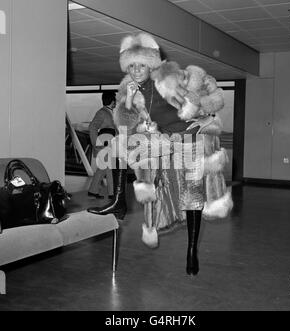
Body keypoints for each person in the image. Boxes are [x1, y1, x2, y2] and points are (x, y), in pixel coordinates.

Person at [89, 32, 233, 275]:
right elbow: (124, 123)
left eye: (141, 64)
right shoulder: (129, 90)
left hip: (190, 138)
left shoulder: (170, 77)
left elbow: (209, 88)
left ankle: (191, 250)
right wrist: (130, 102)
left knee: (192, 196)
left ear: (151, 64)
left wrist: (205, 117)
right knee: (118, 143)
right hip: (164, 139)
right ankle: (118, 201)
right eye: (131, 66)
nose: (136, 70)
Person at [88, 91, 116, 199]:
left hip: (109, 144)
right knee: (110, 169)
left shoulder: (109, 112)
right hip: (105, 145)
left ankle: (93, 191)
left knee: (103, 168)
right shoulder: (102, 112)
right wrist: (96, 143)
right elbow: (92, 127)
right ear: (113, 101)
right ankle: (112, 194)